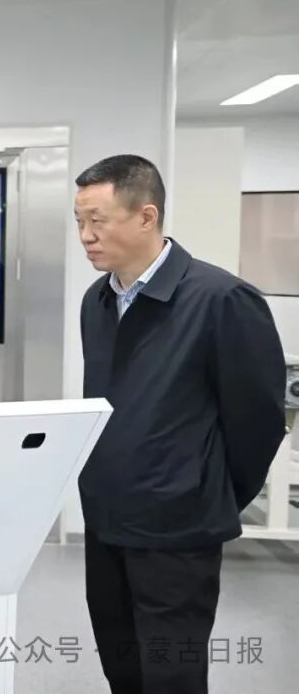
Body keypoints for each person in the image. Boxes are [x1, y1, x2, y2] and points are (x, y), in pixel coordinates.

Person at [75, 154, 285, 694]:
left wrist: (203, 493)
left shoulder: (221, 299)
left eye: (98, 221)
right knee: (121, 664)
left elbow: (258, 422)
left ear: (146, 216)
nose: (86, 236)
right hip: (106, 518)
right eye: (79, 222)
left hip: (177, 529)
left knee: (172, 674)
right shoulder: (97, 301)